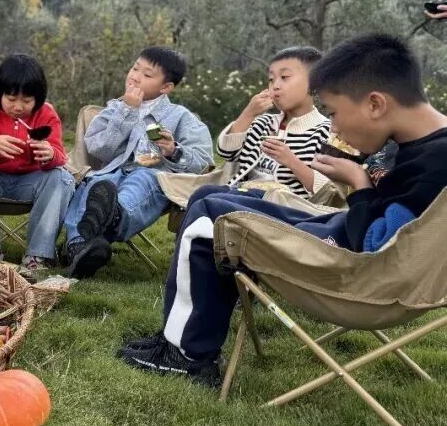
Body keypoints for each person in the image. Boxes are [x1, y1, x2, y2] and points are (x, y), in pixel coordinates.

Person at [119, 34, 447, 386]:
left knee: (208, 219)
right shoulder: (420, 143)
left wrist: (359, 184)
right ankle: (176, 335)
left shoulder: (434, 163)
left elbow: (377, 248)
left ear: (376, 104)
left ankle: (187, 355)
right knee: (209, 195)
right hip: (342, 232)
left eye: (334, 113)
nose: (334, 127)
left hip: (357, 271)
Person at [63, 46, 213, 278]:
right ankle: (80, 248)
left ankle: (111, 218)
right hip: (112, 171)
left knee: (143, 180)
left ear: (166, 87)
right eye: (135, 68)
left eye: (147, 74)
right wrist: (126, 112)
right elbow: (98, 148)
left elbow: (203, 160)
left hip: (151, 175)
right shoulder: (115, 109)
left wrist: (173, 150)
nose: (135, 76)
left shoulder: (182, 117)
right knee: (93, 184)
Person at [0, 54, 74, 273]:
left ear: (38, 98)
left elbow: (60, 155)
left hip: (30, 183)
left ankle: (39, 256)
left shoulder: (47, 115)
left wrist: (50, 154)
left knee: (63, 178)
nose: (18, 107)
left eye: (27, 101)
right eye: (11, 99)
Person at [214, 46, 331, 198]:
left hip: (284, 205)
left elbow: (327, 191)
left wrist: (291, 161)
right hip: (241, 193)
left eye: (284, 77)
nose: (275, 85)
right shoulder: (262, 123)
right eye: (271, 79)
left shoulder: (324, 131)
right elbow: (226, 153)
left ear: (314, 83)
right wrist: (248, 114)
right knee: (204, 193)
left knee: (212, 199)